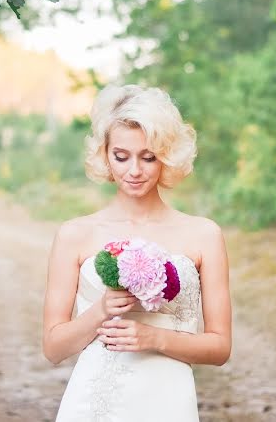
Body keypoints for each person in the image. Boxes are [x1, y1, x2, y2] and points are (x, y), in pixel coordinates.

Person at [43, 84, 232, 421]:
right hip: (95, 401)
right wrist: (101, 310)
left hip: (168, 400)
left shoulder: (204, 235)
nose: (134, 170)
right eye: (121, 156)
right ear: (104, 154)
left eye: (148, 157)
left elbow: (220, 348)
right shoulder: (75, 235)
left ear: (167, 156)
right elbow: (54, 348)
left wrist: (155, 338)